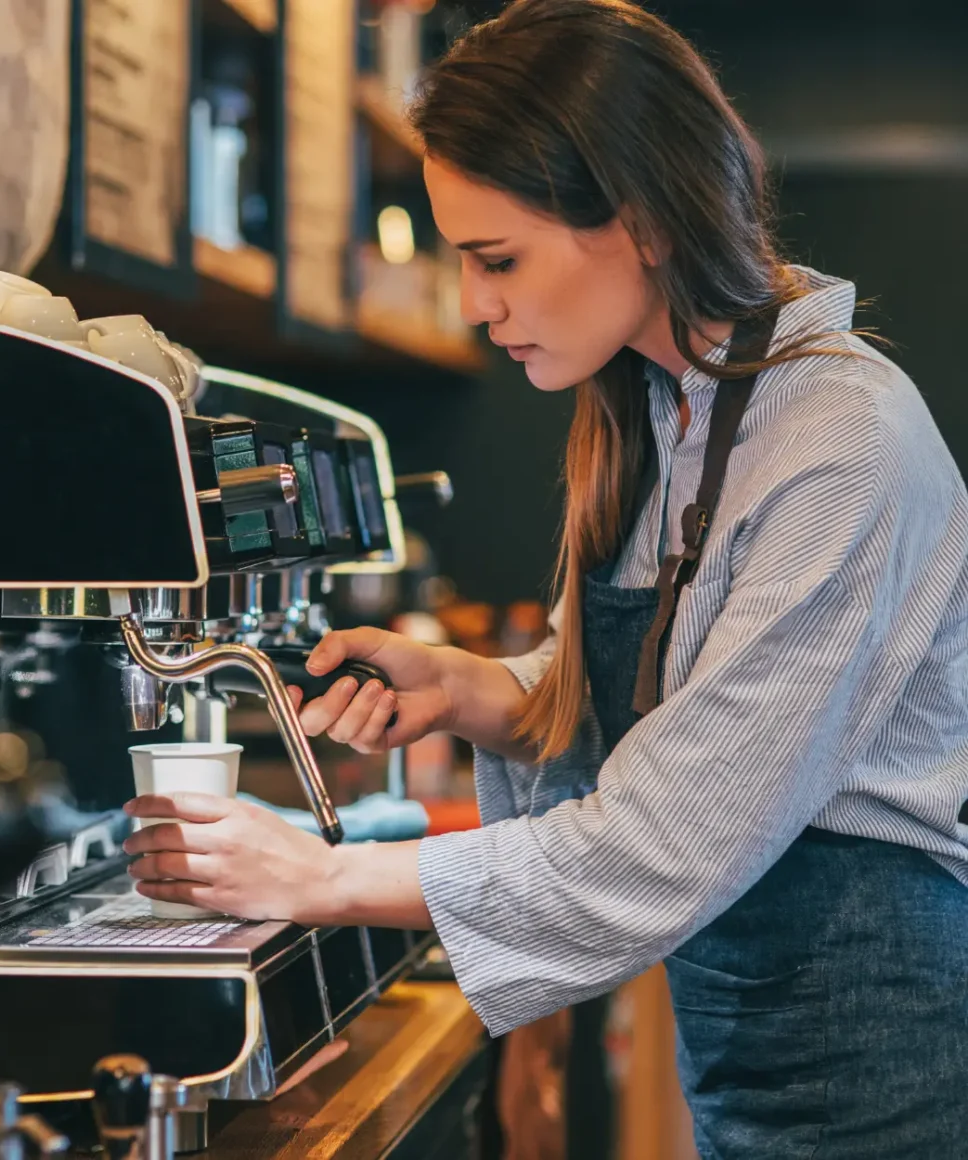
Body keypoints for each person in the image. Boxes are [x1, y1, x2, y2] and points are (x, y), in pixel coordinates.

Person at [122, 1, 968, 1155]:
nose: (475, 304)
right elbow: (666, 696)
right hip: (748, 1037)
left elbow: (665, 832)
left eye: (496, 257)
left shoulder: (838, 444)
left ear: (643, 220)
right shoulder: (657, 409)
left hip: (887, 1044)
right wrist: (473, 688)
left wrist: (320, 876)